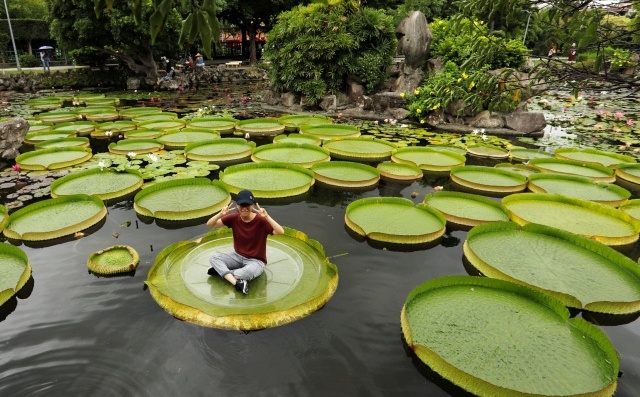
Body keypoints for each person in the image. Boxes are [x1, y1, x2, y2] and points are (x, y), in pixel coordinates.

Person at [206, 189, 285, 295]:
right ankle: (237, 282)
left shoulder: (261, 221)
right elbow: (210, 224)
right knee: (213, 258)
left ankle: (223, 272)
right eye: (241, 205)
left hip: (256, 261)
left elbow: (280, 231)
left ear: (252, 206)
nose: (244, 208)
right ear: (237, 206)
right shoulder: (234, 218)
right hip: (237, 256)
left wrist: (267, 217)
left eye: (247, 205)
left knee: (248, 272)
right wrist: (221, 214)